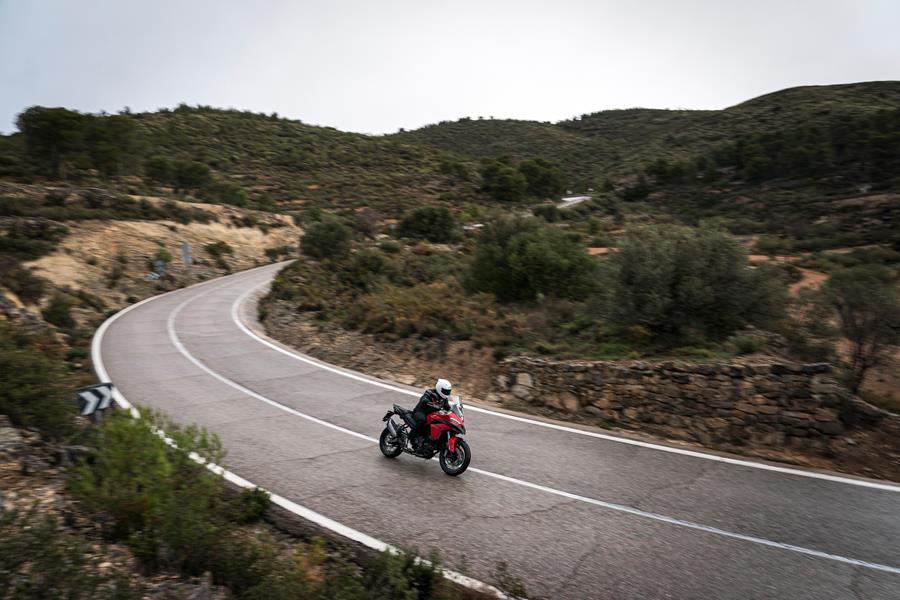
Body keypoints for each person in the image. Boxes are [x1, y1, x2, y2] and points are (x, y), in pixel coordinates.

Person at [410, 378, 452, 449]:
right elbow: (423, 399)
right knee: (422, 420)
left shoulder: (444, 399)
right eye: (445, 391)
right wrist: (431, 404)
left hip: (432, 415)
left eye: (448, 391)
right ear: (439, 388)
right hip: (421, 412)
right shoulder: (430, 393)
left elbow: (448, 407)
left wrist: (452, 411)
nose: (447, 393)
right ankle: (410, 439)